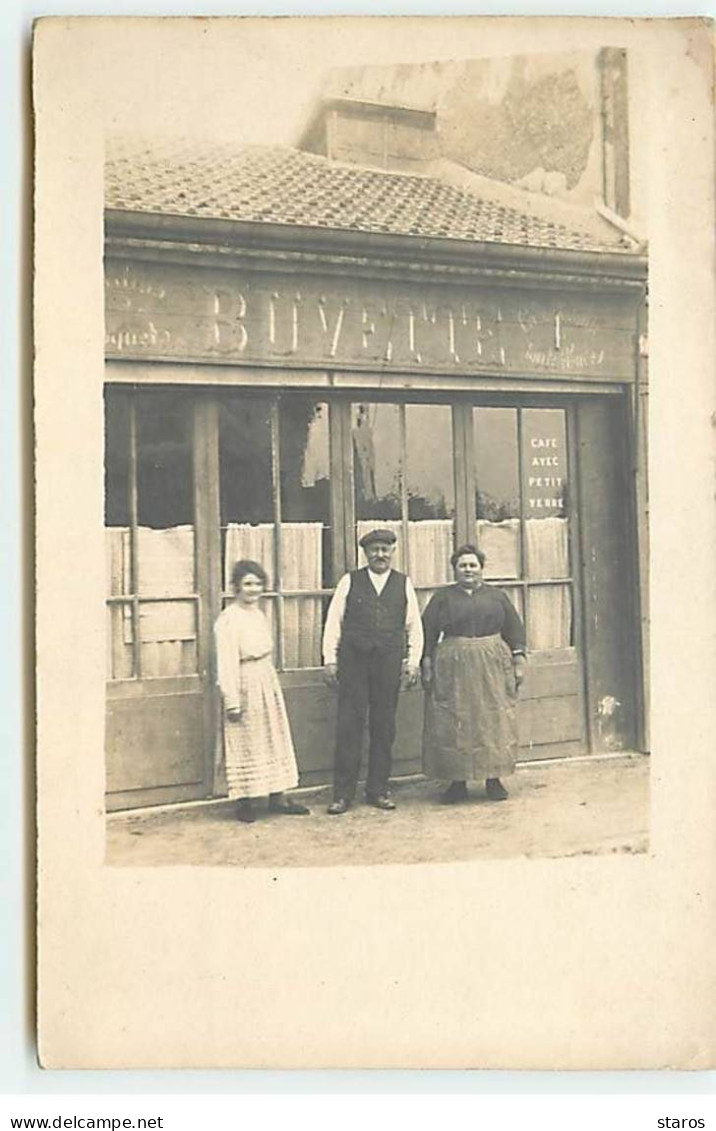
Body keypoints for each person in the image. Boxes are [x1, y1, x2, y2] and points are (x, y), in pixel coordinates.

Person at [322, 528, 423, 814]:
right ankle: (343, 794)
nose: (380, 554)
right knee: (349, 726)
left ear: (392, 551)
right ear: (365, 553)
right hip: (354, 662)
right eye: (374, 550)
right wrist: (330, 659)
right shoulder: (349, 582)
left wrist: (413, 661)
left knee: (384, 726)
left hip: (388, 662)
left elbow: (414, 625)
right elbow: (333, 622)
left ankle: (378, 789)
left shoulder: (403, 583)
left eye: (385, 549)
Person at [421, 543, 526, 804]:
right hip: (452, 664)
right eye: (462, 565)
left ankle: (494, 779)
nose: (468, 569)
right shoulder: (442, 598)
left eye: (472, 565)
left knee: (493, 719)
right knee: (455, 718)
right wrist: (426, 661)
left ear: (481, 569)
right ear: (455, 570)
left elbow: (514, 629)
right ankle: (457, 782)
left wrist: (519, 659)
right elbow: (428, 632)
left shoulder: (497, 596)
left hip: (492, 663)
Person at [214, 559, 310, 823]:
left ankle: (278, 796)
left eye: (257, 584)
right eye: (247, 584)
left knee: (272, 736)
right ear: (235, 587)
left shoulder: (258, 614)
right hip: (244, 683)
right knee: (245, 739)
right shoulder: (228, 618)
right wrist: (232, 701)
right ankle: (244, 801)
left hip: (265, 679)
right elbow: (226, 663)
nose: (253, 589)